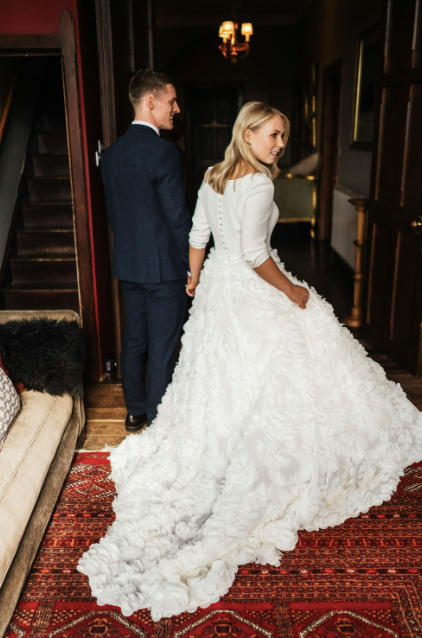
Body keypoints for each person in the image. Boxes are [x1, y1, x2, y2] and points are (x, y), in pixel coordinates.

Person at [78, 102, 422, 621]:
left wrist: (194, 278)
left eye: (284, 135)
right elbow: (256, 256)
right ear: (248, 133)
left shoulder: (214, 176)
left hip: (218, 288)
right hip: (249, 286)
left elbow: (199, 235)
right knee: (274, 365)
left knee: (219, 376)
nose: (280, 144)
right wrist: (294, 293)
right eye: (272, 134)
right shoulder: (259, 185)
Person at [100, 69, 191, 432]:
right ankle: (158, 418)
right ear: (150, 102)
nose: (177, 108)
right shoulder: (164, 153)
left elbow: (115, 215)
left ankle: (135, 411)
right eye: (171, 101)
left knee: (135, 340)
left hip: (128, 265)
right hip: (165, 269)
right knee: (163, 347)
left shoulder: (111, 155)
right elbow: (178, 219)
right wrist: (193, 267)